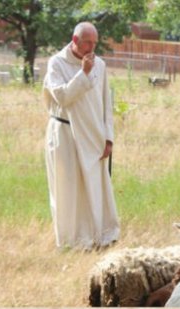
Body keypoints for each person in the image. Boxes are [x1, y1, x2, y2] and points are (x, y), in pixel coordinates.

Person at [43, 22, 119, 250]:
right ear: (75, 41)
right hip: (64, 134)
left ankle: (100, 236)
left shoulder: (101, 65)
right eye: (88, 42)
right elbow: (62, 97)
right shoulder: (57, 63)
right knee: (67, 187)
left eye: (94, 43)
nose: (92, 47)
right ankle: (71, 241)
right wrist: (83, 73)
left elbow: (106, 103)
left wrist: (108, 138)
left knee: (94, 187)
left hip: (93, 136)